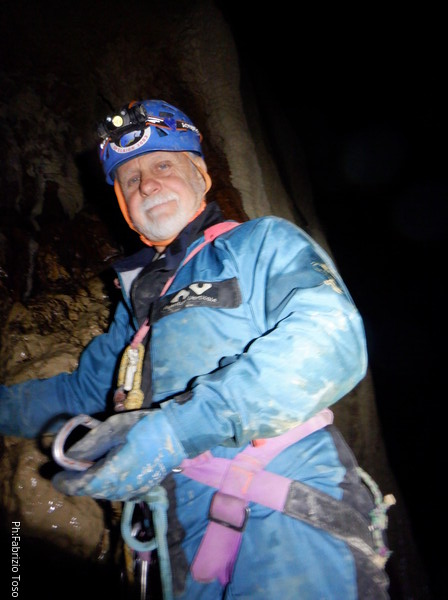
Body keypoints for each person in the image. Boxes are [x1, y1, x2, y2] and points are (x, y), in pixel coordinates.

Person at [0, 99, 392, 599]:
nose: (147, 185)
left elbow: (330, 338)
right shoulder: (138, 308)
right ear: (123, 205)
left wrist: (178, 429)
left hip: (284, 521)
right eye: (130, 179)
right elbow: (77, 395)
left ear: (201, 176)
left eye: (163, 166)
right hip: (177, 551)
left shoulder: (258, 245)